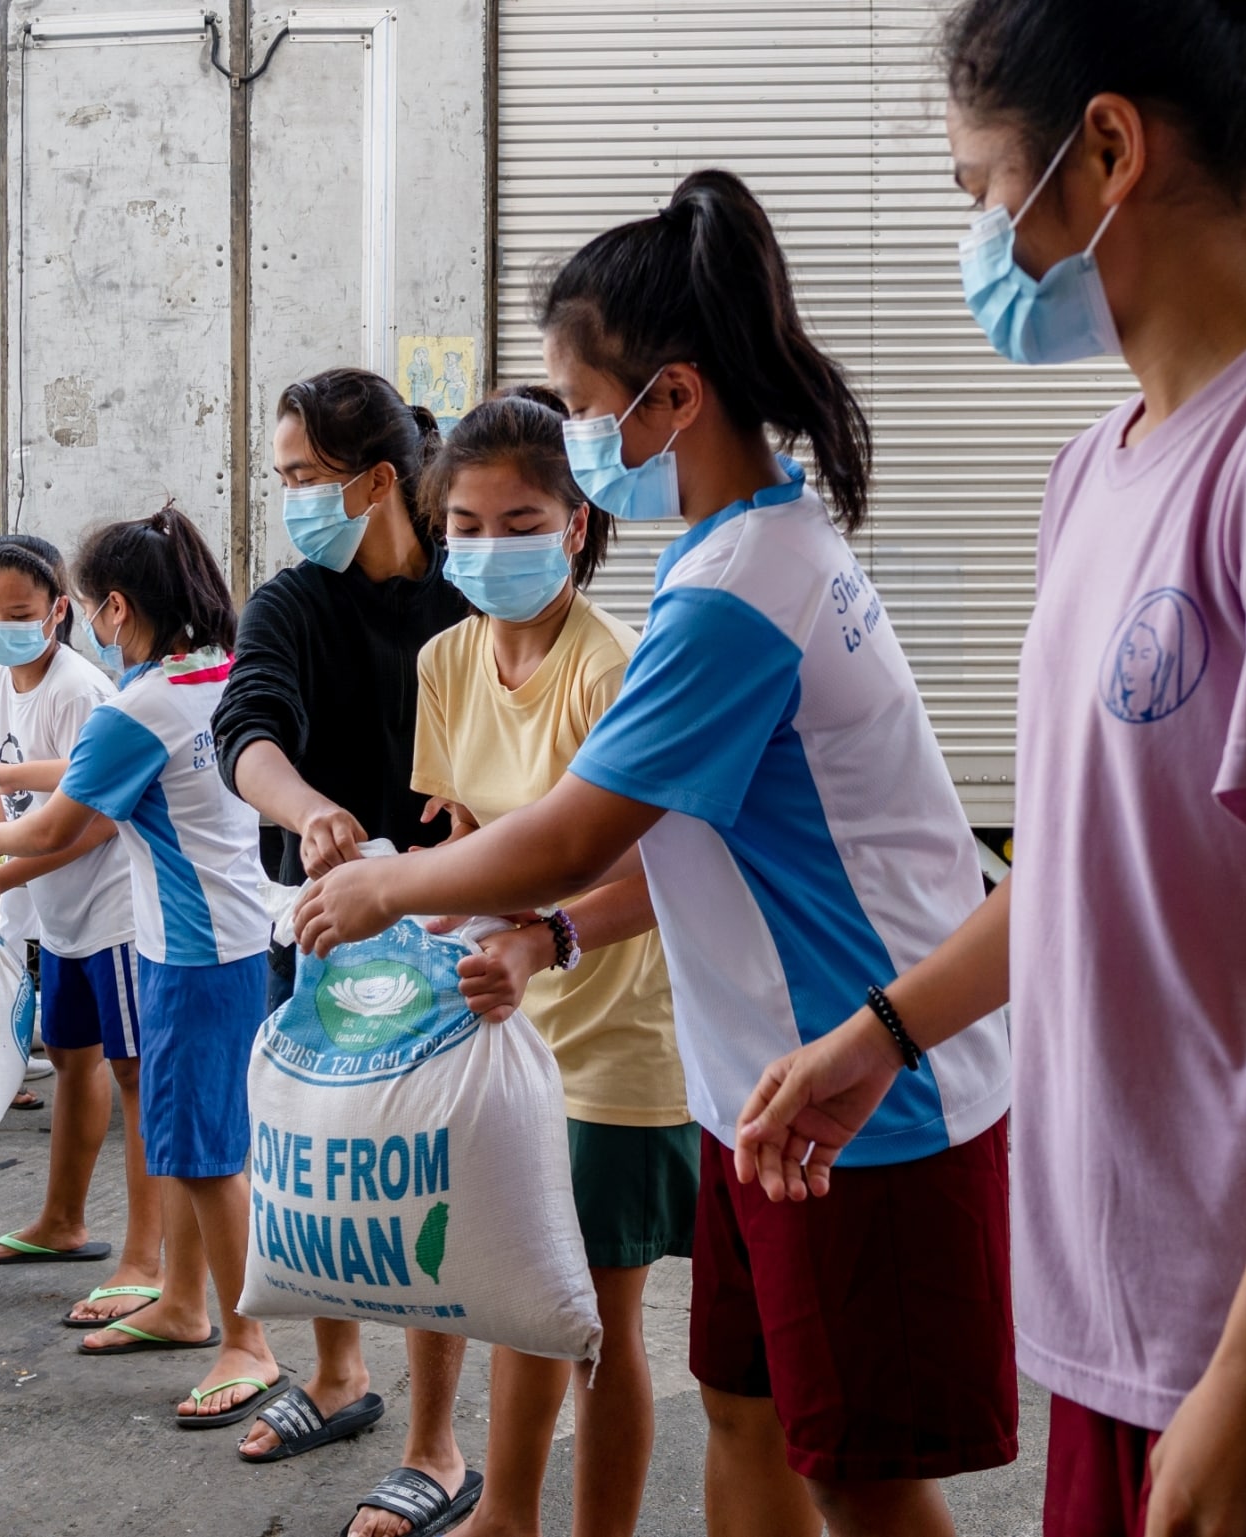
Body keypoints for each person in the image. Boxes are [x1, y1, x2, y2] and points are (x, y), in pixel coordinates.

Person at [730, 4, 1246, 1533]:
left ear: (1110, 152)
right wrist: (886, 1028)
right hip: (1138, 1317)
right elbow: (1092, 866)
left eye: (976, 184)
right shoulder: (1098, 469)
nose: (976, 232)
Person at [292, 170, 1017, 1537]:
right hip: (769, 1078)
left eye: (578, 401)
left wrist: (384, 880)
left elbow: (572, 830)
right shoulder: (743, 550)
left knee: (858, 1473)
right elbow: (655, 856)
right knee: (747, 1409)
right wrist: (540, 930)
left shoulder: (740, 590)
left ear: (668, 398)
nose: (572, 435)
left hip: (862, 1081)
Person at [410, 389, 698, 1537]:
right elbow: (470, 847)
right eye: (467, 525)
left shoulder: (614, 666)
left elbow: (668, 881)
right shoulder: (442, 660)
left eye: (520, 520)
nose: (489, 546)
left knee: (595, 1323)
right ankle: (505, 1515)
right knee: (513, 1295)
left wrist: (542, 936)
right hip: (506, 1027)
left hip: (616, 1041)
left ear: (576, 523)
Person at [0, 503, 278, 1431]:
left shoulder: (142, 701)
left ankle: (250, 1343)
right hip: (223, 940)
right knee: (187, 1141)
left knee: (205, 1156)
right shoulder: (211, 673)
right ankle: (184, 1303)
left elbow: (64, 825)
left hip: (191, 952)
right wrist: (10, 786)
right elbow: (93, 773)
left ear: (112, 607)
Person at [210, 367, 478, 1537]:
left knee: (428, 1186)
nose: (290, 501)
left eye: (304, 478)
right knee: (313, 1170)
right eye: (279, 481)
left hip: (441, 931)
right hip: (317, 930)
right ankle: (336, 1376)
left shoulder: (469, 595)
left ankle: (435, 1442)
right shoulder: (291, 601)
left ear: (379, 482)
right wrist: (305, 807)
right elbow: (246, 727)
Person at [0, 533, 165, 1321]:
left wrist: (0, 869)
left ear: (59, 611)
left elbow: (98, 820)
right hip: (61, 915)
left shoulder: (84, 691)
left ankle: (146, 1258)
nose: (0, 625)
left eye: (19, 611)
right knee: (73, 1062)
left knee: (138, 1079)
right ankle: (63, 1221)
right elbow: (4, 789)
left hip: (115, 913)